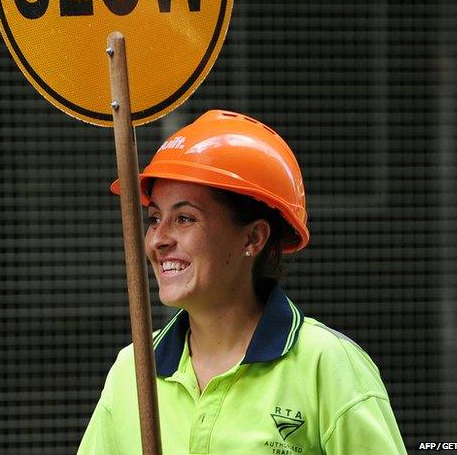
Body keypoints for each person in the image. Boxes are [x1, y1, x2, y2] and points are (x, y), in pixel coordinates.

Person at [78, 110, 406, 454]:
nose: (158, 239)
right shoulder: (132, 369)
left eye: (184, 218)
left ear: (253, 238)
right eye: (155, 218)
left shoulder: (326, 365)